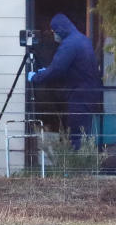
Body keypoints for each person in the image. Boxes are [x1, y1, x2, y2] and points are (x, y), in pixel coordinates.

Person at [27, 13, 102, 150]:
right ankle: (83, 164)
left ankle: (76, 169)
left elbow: (57, 69)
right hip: (88, 94)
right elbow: (71, 68)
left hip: (79, 96)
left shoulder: (69, 45)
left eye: (54, 31)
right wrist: (47, 71)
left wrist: (36, 77)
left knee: (76, 135)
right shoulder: (82, 40)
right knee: (84, 133)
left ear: (60, 29)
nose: (53, 34)